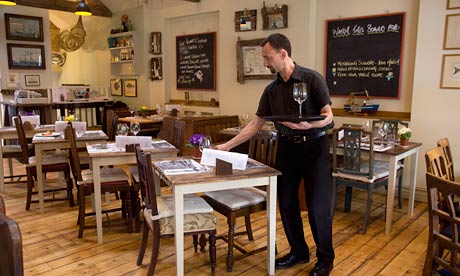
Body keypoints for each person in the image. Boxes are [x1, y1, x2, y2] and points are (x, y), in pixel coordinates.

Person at [215, 33, 335, 276]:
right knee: (287, 203)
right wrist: (227, 146)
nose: (265, 63)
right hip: (287, 148)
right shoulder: (271, 90)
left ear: (283, 54)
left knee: (317, 207)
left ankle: (325, 259)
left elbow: (329, 115)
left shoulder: (312, 79)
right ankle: (298, 252)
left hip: (315, 148)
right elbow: (255, 125)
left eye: (268, 58)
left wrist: (312, 125)